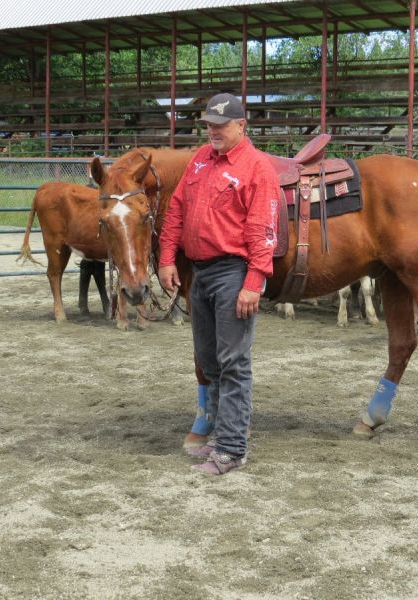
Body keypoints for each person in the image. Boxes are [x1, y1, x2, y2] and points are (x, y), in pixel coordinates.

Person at [158, 92, 279, 476]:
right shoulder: (199, 161)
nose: (212, 131)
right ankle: (222, 436)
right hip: (201, 271)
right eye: (209, 124)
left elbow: (263, 228)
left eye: (220, 125)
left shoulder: (257, 167)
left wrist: (254, 281)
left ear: (241, 126)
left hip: (232, 272)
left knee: (233, 362)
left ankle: (231, 449)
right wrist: (165, 258)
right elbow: (176, 209)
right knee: (209, 360)